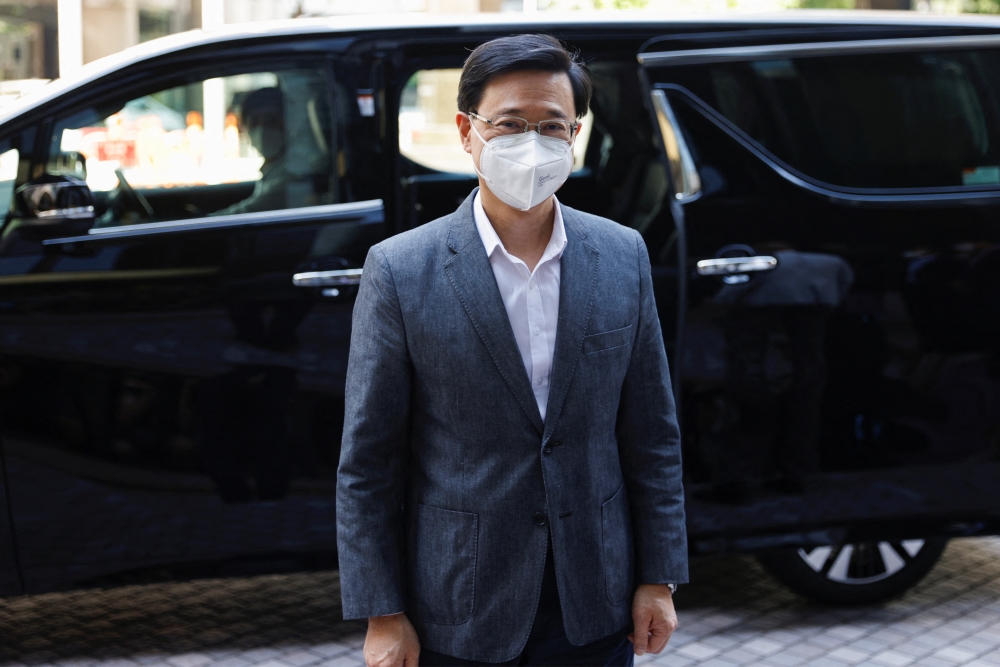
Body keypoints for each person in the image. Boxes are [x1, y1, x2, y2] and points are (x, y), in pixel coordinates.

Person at [336, 34, 687, 667]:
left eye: (552, 126)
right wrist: (382, 613)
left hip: (595, 600)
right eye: (509, 124)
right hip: (460, 605)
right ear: (467, 131)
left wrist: (658, 577)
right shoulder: (400, 269)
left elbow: (652, 434)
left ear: (575, 135)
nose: (533, 142)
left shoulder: (621, 255)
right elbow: (369, 462)